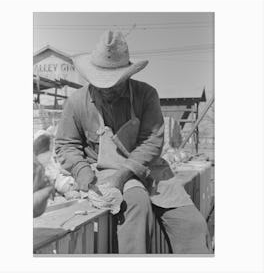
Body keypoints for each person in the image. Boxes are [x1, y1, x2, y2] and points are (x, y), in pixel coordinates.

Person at [55, 30, 210, 254]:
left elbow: (152, 143)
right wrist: (81, 171)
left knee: (192, 224)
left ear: (128, 74)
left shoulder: (146, 95)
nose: (107, 90)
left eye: (114, 84)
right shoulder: (76, 102)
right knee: (135, 204)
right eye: (101, 84)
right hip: (105, 172)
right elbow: (66, 144)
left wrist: (125, 173)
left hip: (152, 170)